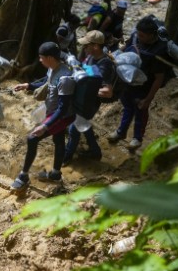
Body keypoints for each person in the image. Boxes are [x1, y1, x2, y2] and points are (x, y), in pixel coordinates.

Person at [10, 42, 76, 189]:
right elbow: (46, 81)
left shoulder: (65, 78)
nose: (40, 60)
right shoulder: (53, 69)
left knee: (32, 138)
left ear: (50, 58)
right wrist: (28, 85)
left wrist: (45, 126)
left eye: (41, 58)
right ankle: (55, 173)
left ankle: (23, 176)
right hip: (54, 112)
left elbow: (63, 108)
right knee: (58, 139)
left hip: (63, 115)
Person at [109, 16, 169, 150]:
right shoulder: (136, 37)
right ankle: (121, 132)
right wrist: (116, 54)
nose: (139, 37)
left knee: (140, 111)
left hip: (144, 86)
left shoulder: (159, 51)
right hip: (128, 80)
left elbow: (159, 77)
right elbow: (127, 47)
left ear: (151, 35)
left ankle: (137, 138)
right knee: (127, 107)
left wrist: (148, 99)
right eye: (138, 34)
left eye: (142, 35)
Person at [64, 31, 115, 163]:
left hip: (90, 103)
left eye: (87, 45)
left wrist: (89, 89)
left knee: (74, 129)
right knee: (82, 124)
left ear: (96, 46)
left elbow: (107, 91)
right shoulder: (91, 57)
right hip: (81, 99)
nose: (84, 48)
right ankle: (95, 152)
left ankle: (65, 157)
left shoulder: (104, 64)